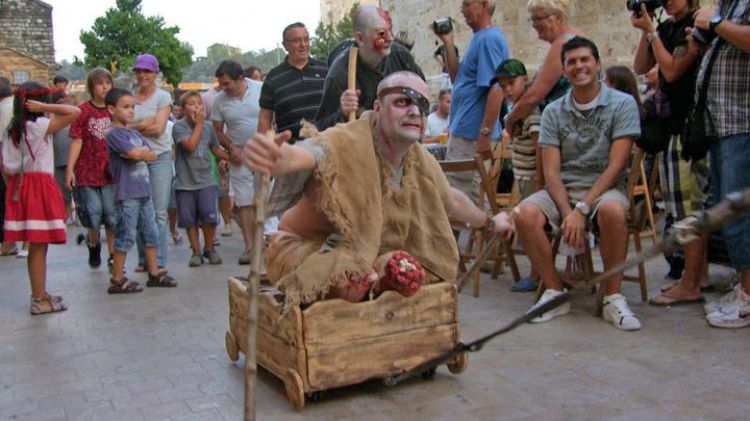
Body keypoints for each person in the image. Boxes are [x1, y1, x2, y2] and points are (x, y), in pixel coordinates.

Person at [244, 71, 510, 306]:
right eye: (402, 102)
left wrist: (488, 223)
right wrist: (281, 158)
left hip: (367, 257)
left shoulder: (420, 159)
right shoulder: (346, 140)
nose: (415, 112)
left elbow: (450, 198)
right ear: (378, 108)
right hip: (305, 250)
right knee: (353, 280)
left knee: (405, 271)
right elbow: (312, 152)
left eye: (421, 105)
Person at [514, 37, 643, 331]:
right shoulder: (553, 112)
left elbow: (616, 166)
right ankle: (555, 291)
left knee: (611, 210)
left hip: (604, 188)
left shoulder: (622, 104)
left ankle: (613, 297)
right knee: (524, 214)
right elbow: (552, 172)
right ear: (563, 70)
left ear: (597, 64)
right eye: (571, 62)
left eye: (585, 59)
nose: (579, 66)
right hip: (563, 190)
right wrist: (567, 212)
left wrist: (582, 209)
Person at [631, 0, 710, 307]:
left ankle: (690, 284)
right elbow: (640, 67)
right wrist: (646, 28)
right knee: (680, 206)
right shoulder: (666, 27)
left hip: (688, 128)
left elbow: (673, 71)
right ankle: (696, 275)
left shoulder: (697, 25)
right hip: (672, 129)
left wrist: (652, 31)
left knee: (690, 207)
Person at [692, 0, 750, 328]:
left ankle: (748, 298)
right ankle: (744, 288)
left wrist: (715, 23)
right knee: (729, 213)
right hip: (721, 123)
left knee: (739, 214)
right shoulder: (728, 4)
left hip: (741, 121)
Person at [1, 82, 81, 314]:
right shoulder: (38, 127)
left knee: (38, 244)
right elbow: (75, 112)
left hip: (20, 185)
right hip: (39, 186)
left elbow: (5, 167)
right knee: (38, 245)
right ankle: (38, 298)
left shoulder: (11, 131)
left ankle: (40, 291)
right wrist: (46, 106)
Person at [105, 88, 178, 293]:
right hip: (127, 193)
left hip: (143, 191)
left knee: (151, 233)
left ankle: (154, 272)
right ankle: (117, 278)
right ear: (111, 109)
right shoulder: (114, 134)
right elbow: (136, 153)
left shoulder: (132, 133)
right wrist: (139, 153)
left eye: (132, 107)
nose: (130, 111)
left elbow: (150, 154)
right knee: (126, 234)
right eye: (125, 107)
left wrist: (140, 153)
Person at [436, 0, 510, 200]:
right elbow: (456, 78)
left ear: (484, 5)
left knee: (466, 199)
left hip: (472, 136)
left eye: (467, 4)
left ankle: (484, 231)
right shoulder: (480, 38)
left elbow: (496, 88)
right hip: (466, 132)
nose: (462, 9)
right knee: (465, 197)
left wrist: (484, 135)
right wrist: (449, 43)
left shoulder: (488, 39)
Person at [314, 5, 425, 131]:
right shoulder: (340, 74)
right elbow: (320, 128)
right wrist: (343, 113)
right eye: (381, 33)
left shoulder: (401, 57)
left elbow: (423, 99)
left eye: (390, 30)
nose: (390, 38)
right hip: (361, 145)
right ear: (360, 38)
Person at [494, 58, 543, 292]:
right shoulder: (516, 111)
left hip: (534, 177)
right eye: (503, 87)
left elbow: (539, 147)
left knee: (533, 228)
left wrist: (541, 182)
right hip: (523, 176)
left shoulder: (531, 111)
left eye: (512, 83)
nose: (507, 90)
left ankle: (536, 273)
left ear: (525, 80)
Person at [504, 0, 584, 132]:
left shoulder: (562, 44)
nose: (534, 24)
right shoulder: (574, 36)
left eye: (538, 18)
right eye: (532, 19)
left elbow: (534, 96)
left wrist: (510, 119)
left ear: (557, 18)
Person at [211, 60, 263, 264]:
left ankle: (267, 242)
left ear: (240, 78)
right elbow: (217, 129)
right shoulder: (219, 100)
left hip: (263, 151)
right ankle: (250, 247)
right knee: (244, 201)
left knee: (264, 197)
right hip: (238, 154)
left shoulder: (260, 89)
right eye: (221, 84)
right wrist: (231, 148)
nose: (224, 88)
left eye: (227, 84)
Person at [66, 68, 117, 269]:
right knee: (93, 214)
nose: (104, 87)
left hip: (110, 172)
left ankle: (113, 255)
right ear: (91, 87)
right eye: (99, 83)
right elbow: (77, 141)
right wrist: (70, 169)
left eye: (107, 83)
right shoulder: (82, 111)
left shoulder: (115, 109)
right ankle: (93, 243)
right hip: (88, 171)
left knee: (112, 215)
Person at [172, 91, 229, 266]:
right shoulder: (179, 127)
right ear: (182, 109)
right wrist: (198, 124)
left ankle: (209, 247)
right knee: (190, 220)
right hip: (185, 182)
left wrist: (230, 157)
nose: (196, 107)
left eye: (199, 103)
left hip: (206, 179)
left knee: (209, 216)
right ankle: (195, 251)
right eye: (191, 104)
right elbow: (190, 146)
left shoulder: (209, 127)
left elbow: (214, 148)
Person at [130, 53, 173, 272]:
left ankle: (159, 260)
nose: (142, 75)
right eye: (139, 71)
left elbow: (158, 129)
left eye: (146, 71)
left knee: (158, 212)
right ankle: (143, 259)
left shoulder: (163, 97)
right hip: (135, 159)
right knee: (138, 210)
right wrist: (141, 124)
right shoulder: (129, 97)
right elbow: (120, 127)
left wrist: (134, 126)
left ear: (155, 74)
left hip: (158, 158)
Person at [258, 22, 328, 143]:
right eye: (296, 41)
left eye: (306, 39)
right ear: (285, 45)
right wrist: (265, 148)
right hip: (291, 152)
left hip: (327, 147)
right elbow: (265, 118)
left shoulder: (326, 70)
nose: (303, 45)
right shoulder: (273, 78)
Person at [50, 91, 74, 223]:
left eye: (65, 102)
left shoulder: (75, 118)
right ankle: (64, 217)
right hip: (58, 162)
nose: (64, 106)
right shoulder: (52, 121)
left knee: (77, 192)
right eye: (60, 104)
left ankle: (75, 216)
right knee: (63, 194)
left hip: (75, 161)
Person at [0, 76, 15, 256]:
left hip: (7, 161)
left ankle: (8, 241)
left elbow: (2, 142)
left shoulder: (4, 108)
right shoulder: (13, 104)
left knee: (5, 201)